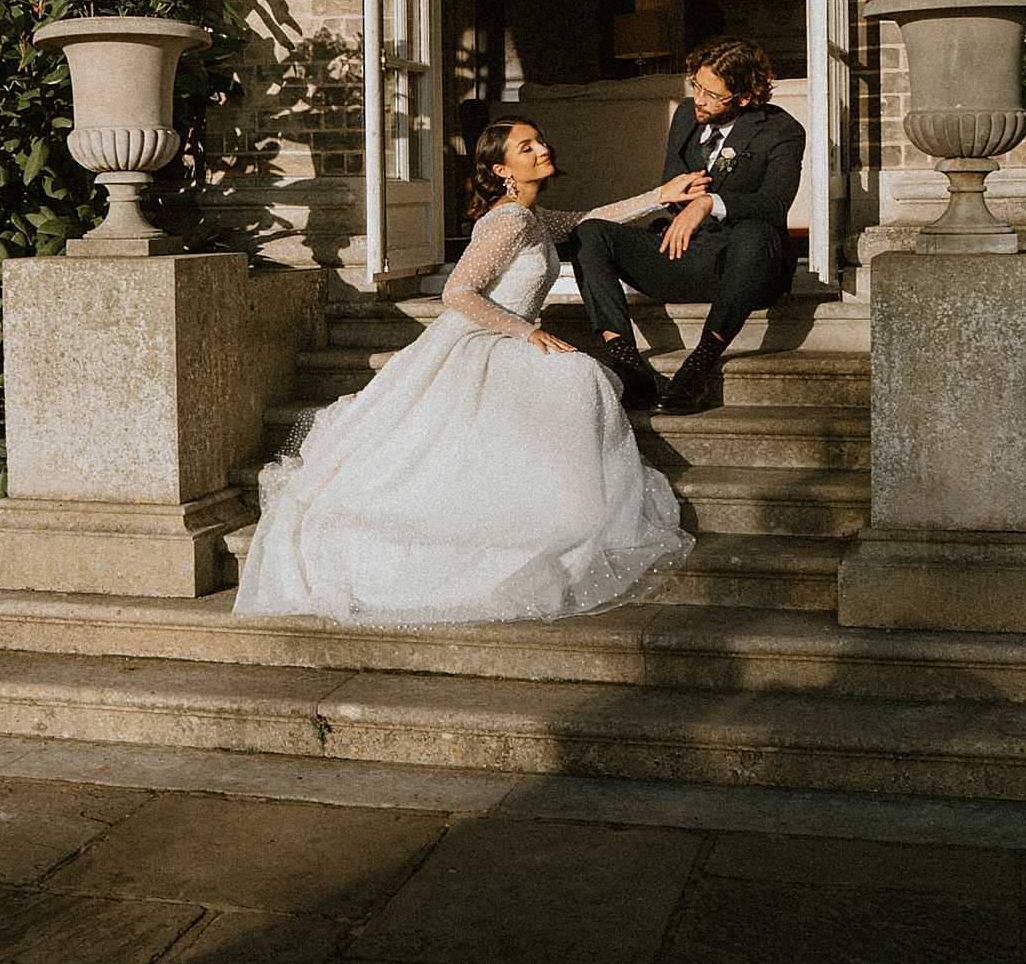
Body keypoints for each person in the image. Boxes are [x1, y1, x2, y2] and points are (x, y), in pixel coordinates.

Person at [232, 119, 703, 624]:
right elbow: (457, 292)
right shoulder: (509, 222)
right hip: (484, 339)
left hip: (502, 335)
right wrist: (526, 334)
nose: (543, 148)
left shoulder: (532, 216)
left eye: (540, 139)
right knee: (577, 376)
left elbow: (590, 218)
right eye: (527, 147)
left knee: (578, 377)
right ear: (502, 170)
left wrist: (661, 194)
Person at [573, 39, 806, 417]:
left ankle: (699, 365)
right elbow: (670, 184)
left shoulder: (781, 130)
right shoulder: (686, 114)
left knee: (756, 234)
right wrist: (681, 195)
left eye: (712, 94)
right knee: (591, 233)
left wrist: (708, 202)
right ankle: (628, 364)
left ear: (744, 98)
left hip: (744, 267)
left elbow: (774, 203)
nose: (698, 98)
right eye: (696, 85)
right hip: (686, 253)